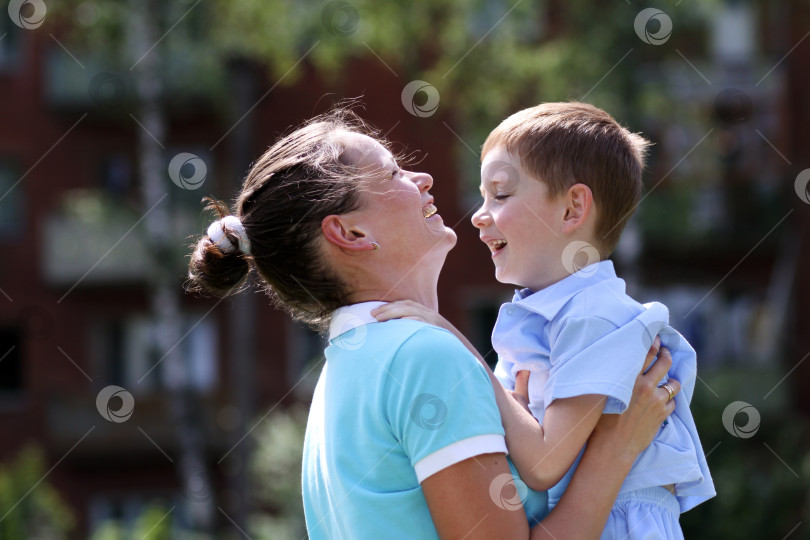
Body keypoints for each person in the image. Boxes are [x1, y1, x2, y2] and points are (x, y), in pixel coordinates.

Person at [186, 106, 681, 539]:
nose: (421, 178)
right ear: (351, 232)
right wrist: (615, 451)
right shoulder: (425, 357)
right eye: (393, 173)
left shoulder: (340, 376)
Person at [375, 102, 715, 539]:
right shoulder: (548, 314)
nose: (479, 214)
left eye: (500, 194)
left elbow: (541, 464)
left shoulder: (595, 315)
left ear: (573, 209)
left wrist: (455, 345)